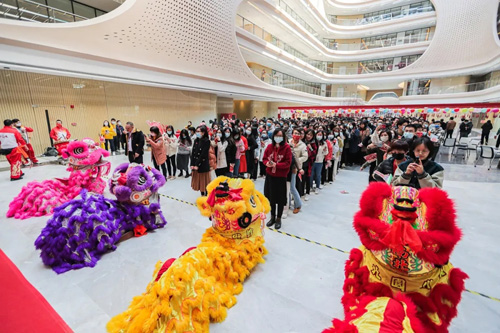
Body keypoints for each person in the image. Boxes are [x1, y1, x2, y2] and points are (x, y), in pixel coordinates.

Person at [264, 129, 292, 230]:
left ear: (283, 137)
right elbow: (264, 158)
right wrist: (267, 163)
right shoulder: (269, 146)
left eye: (280, 136)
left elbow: (288, 163)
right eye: (276, 135)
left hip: (281, 177)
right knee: (271, 198)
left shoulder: (287, 148)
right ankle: (272, 217)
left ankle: (279, 218)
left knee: (280, 199)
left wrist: (277, 165)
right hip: (270, 176)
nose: (278, 137)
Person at [289, 129, 308, 214]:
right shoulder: (288, 142)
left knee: (293, 187)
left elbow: (305, 157)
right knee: (287, 187)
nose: (296, 135)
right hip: (287, 167)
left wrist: (295, 161)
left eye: (298, 133)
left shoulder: (302, 145)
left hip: (296, 167)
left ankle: (298, 204)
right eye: (295, 133)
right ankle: (288, 203)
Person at [190, 126, 211, 196]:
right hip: (195, 163)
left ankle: (207, 195)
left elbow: (203, 154)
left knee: (204, 181)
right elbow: (193, 153)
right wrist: (192, 164)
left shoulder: (207, 141)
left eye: (199, 131)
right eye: (197, 131)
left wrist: (197, 164)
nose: (197, 133)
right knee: (199, 182)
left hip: (203, 164)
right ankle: (202, 194)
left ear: (203, 132)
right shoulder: (196, 140)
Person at [303, 129, 317, 200]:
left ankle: (307, 191)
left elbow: (314, 153)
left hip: (309, 162)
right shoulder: (302, 141)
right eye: (308, 134)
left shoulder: (314, 143)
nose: (309, 136)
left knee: (307, 177)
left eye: (311, 135)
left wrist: (310, 148)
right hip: (301, 162)